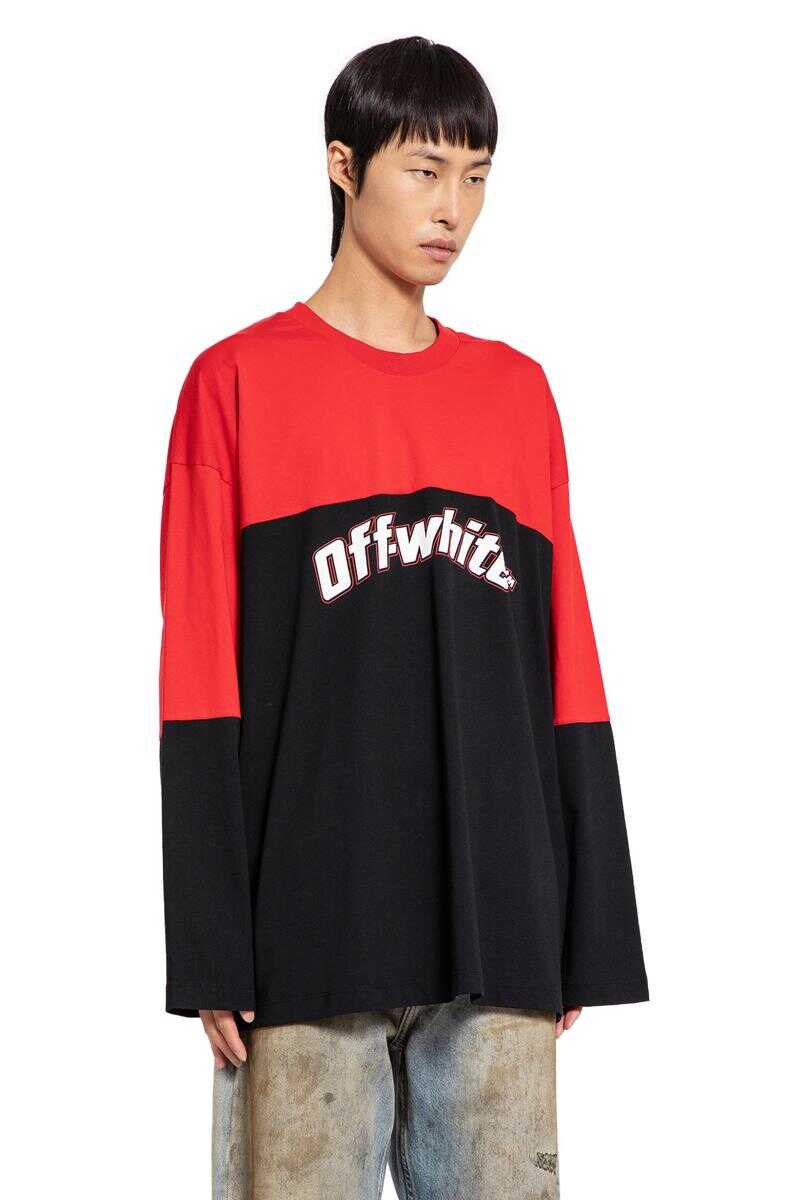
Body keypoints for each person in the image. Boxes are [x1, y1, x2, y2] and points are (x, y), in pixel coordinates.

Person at [158, 34, 649, 1200]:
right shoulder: (236, 383)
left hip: (497, 926)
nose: (453, 210)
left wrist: (584, 921)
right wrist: (211, 940)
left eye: (475, 176)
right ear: (343, 165)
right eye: (424, 170)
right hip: (303, 931)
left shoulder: (514, 394)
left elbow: (565, 662)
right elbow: (199, 678)